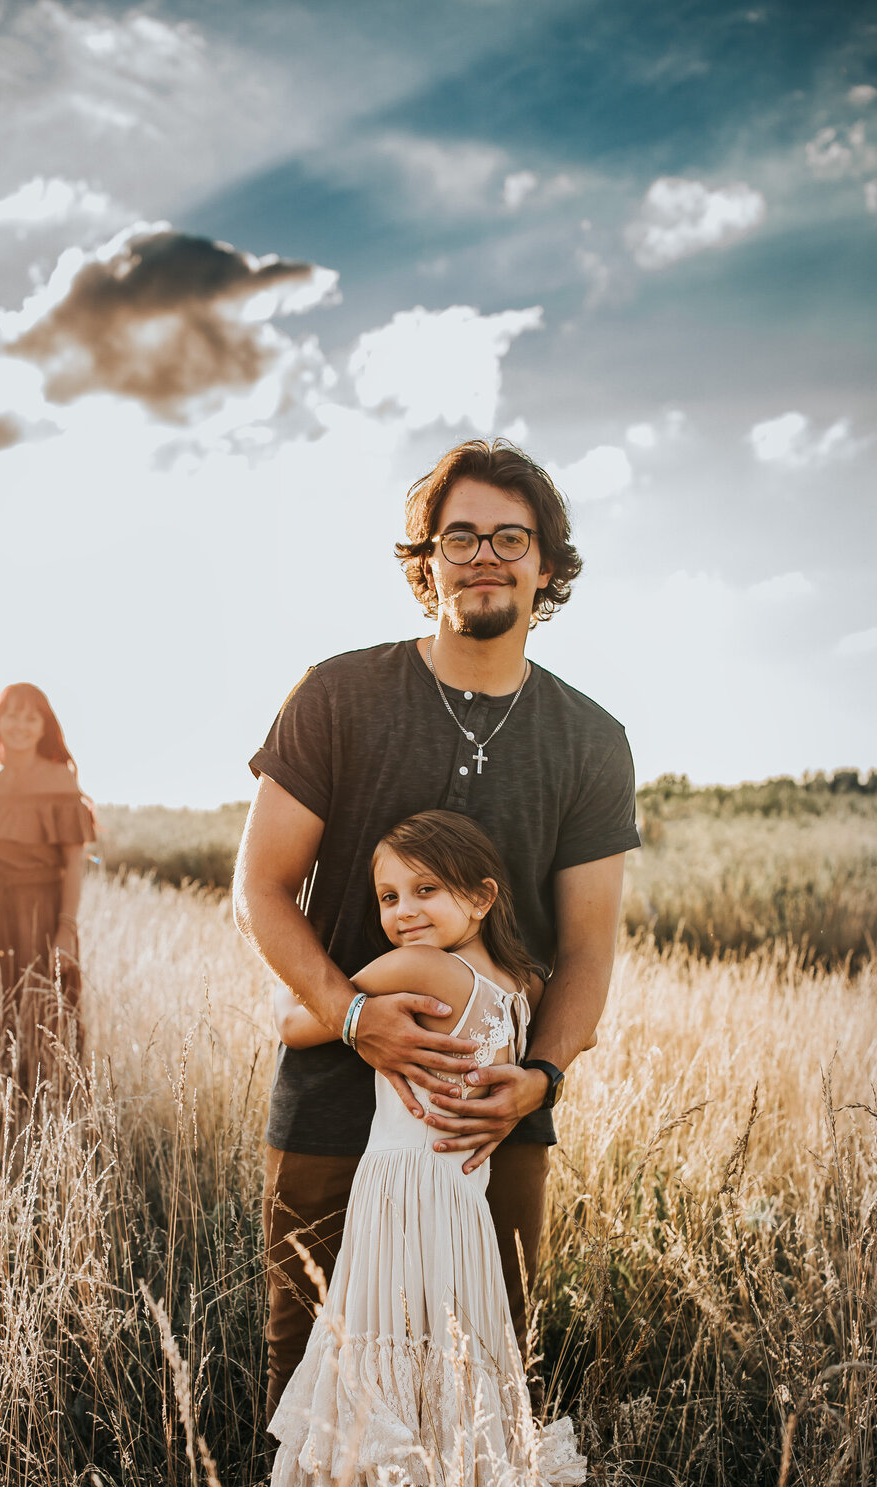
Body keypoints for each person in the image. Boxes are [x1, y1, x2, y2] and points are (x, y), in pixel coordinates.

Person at [233, 438, 641, 1427]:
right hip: (335, 1106)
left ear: (547, 563)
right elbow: (261, 885)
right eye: (459, 535)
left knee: (480, 1386)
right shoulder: (338, 693)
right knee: (316, 1387)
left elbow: (587, 949)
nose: (485, 555)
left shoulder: (590, 738)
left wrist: (539, 1078)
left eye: (512, 535)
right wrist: (351, 1012)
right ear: (426, 560)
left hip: (489, 1123)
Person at [259, 812, 594, 1487]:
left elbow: (294, 1020)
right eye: (387, 896)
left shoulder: (415, 967)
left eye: (425, 890)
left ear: (481, 897)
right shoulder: (518, 986)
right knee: (458, 1384)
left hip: (398, 1200)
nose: (402, 911)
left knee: (380, 1383)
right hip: (461, 1213)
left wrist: (342, 1008)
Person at [0, 683, 94, 1071]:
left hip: (44, 913)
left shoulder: (60, 779)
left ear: (45, 727)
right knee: (1, 1020)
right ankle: (9, 1115)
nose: (21, 725)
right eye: (12, 715)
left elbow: (74, 863)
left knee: (50, 1020)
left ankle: (56, 1113)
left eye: (32, 717)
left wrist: (66, 929)